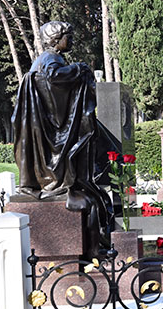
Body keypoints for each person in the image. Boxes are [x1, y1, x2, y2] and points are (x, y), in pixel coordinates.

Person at [12, 21, 113, 253]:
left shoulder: (46, 59)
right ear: (56, 39)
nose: (72, 40)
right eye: (69, 35)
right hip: (53, 131)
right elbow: (54, 78)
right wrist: (80, 69)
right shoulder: (50, 60)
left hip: (48, 129)